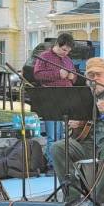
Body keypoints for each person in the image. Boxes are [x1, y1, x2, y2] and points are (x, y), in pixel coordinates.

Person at [50, 57, 104, 206]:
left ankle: (98, 201)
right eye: (91, 75)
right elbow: (78, 126)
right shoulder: (83, 96)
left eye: (98, 74)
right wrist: (76, 123)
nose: (95, 78)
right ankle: (73, 197)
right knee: (57, 147)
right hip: (87, 142)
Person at [34, 33, 77, 169]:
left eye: (68, 51)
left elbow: (75, 77)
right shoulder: (44, 57)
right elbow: (38, 75)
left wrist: (72, 76)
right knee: (53, 136)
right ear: (57, 44)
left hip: (65, 99)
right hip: (50, 99)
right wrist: (57, 74)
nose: (66, 53)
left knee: (62, 135)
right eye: (64, 49)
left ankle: (61, 164)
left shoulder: (68, 60)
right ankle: (52, 166)